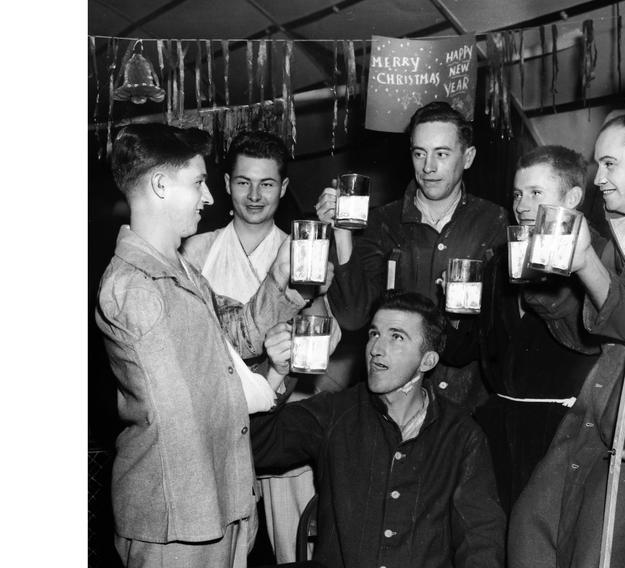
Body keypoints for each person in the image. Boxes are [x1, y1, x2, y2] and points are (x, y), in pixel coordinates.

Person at [95, 123, 311, 567]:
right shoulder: (133, 287)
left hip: (216, 501)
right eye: (197, 183)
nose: (210, 197)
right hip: (176, 517)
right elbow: (186, 404)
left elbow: (238, 331)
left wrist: (283, 281)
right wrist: (266, 382)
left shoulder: (182, 272)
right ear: (159, 185)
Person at [250, 290, 506, 568]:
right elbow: (257, 449)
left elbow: (481, 539)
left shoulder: (461, 435)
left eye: (396, 336)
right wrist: (276, 373)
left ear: (427, 361)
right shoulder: (336, 413)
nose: (376, 348)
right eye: (374, 334)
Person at [508, 113, 625, 568]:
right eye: (598, 165)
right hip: (593, 415)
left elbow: (623, 330)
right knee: (531, 530)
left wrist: (579, 269)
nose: (599, 180)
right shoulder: (614, 235)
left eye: (610, 164)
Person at [181, 130, 342, 564]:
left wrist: (315, 306)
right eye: (243, 182)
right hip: (218, 420)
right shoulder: (197, 250)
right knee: (220, 550)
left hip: (288, 418)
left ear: (284, 188)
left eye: (267, 184)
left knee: (297, 549)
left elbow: (325, 334)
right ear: (226, 184)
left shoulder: (300, 250)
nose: (254, 195)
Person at [317, 101, 509, 411]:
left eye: (441, 154)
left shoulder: (494, 221)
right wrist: (340, 232)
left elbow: (502, 326)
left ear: (468, 157)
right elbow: (353, 315)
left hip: (470, 402)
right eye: (419, 154)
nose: (428, 167)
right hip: (395, 402)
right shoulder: (383, 222)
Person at [472, 145, 607, 513]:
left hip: (562, 429)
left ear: (573, 198)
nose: (522, 205)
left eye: (536, 193)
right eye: (517, 194)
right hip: (502, 427)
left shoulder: (598, 259)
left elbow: (587, 341)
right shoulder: (500, 259)